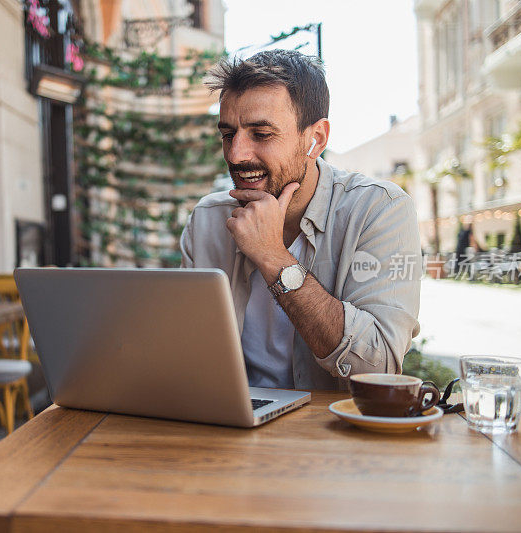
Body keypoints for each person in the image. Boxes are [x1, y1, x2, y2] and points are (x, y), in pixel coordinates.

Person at [180, 50, 421, 390]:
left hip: (331, 435)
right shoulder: (207, 220)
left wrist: (273, 257)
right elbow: (185, 354)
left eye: (261, 134)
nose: (236, 154)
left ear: (316, 139)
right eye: (228, 134)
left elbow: (378, 365)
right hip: (228, 430)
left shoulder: (379, 209)